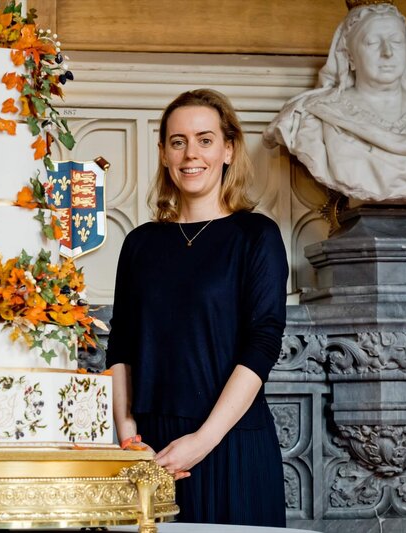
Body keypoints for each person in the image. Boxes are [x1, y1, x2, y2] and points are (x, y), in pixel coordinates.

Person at [106, 88, 288, 525]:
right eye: (178, 141)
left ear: (228, 149)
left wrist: (203, 440)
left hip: (229, 441)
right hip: (150, 449)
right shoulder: (140, 244)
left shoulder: (256, 236)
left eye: (205, 139)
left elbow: (262, 345)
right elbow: (121, 348)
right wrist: (130, 442)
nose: (191, 154)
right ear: (165, 153)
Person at [263, 2, 406, 202]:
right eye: (372, 42)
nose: (387, 52)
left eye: (396, 41)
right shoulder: (314, 116)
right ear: (349, 57)